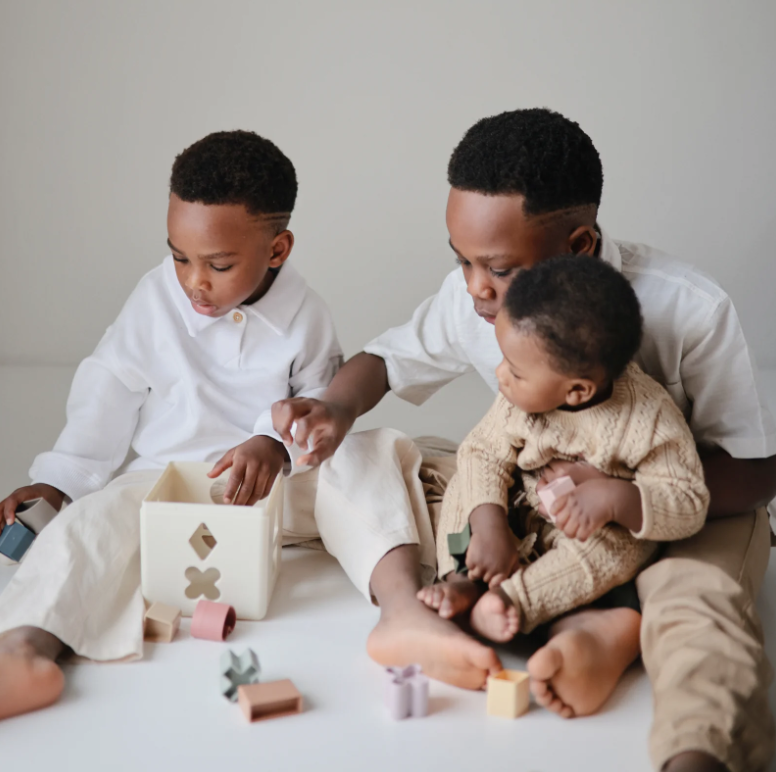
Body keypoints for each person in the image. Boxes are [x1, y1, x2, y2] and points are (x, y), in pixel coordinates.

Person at [273, 109, 776, 772]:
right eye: (461, 260)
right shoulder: (474, 296)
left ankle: (688, 739)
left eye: (499, 269)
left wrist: (619, 496)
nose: (476, 286)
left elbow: (755, 472)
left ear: (580, 245)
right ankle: (416, 610)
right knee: (368, 455)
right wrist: (335, 407)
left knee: (696, 607)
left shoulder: (687, 308)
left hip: (678, 511)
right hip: (532, 511)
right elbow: (390, 361)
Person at [0, 129, 495, 721]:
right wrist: (63, 478)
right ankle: (24, 647)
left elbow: (318, 403)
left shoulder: (304, 312)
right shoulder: (156, 299)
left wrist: (276, 443)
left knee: (373, 451)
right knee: (89, 526)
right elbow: (108, 387)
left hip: (282, 489)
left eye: (219, 264)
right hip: (169, 480)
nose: (194, 281)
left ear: (277, 250)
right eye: (179, 256)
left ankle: (401, 611)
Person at [420, 255, 709, 657]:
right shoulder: (516, 400)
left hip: (587, 531)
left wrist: (614, 498)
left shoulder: (647, 418)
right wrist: (489, 524)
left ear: (577, 391)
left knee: (616, 552)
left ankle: (513, 601)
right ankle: (461, 575)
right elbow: (482, 453)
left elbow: (690, 501)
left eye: (516, 371)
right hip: (520, 505)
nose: (501, 375)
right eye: (503, 358)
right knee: (464, 491)